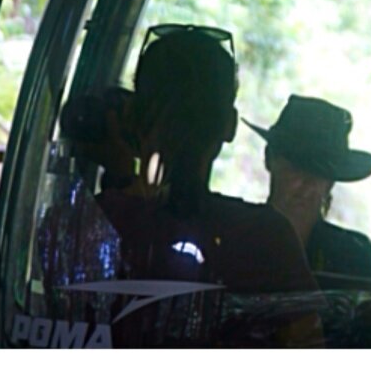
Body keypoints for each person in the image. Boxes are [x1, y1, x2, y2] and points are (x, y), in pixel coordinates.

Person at [98, 26, 316, 297]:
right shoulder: (265, 239)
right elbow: (303, 337)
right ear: (229, 126)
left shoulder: (79, 224)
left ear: (130, 116)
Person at [247, 96, 371, 292]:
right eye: (297, 167)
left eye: (320, 173)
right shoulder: (237, 236)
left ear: (331, 182)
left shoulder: (354, 254)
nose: (307, 183)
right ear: (270, 159)